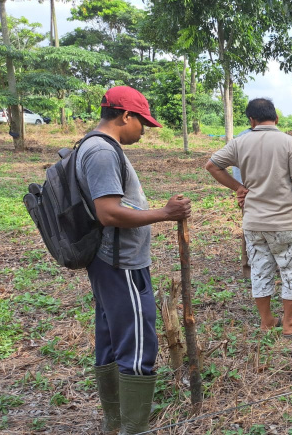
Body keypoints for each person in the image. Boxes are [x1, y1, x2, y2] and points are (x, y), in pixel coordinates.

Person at [79, 86, 191, 434]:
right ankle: (133, 427)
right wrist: (165, 213)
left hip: (109, 261)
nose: (144, 130)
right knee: (137, 342)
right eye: (142, 122)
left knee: (112, 338)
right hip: (121, 263)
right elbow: (109, 212)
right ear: (125, 116)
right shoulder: (100, 152)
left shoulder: (94, 145)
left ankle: (116, 421)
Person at [205, 98, 292, 337]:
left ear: (251, 120)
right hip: (284, 222)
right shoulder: (289, 142)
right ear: (276, 118)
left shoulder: (241, 142)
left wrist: (238, 187)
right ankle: (289, 323)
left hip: (254, 222)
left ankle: (267, 321)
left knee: (260, 269)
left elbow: (212, 166)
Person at [232, 126, 252, 279]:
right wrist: (241, 190)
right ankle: (248, 269)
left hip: (268, 193)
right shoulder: (243, 139)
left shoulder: (274, 137)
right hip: (249, 193)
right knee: (249, 231)